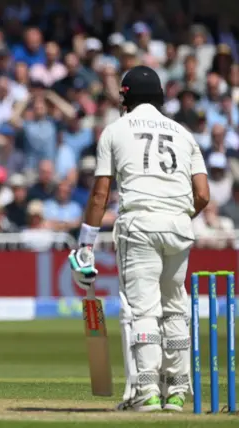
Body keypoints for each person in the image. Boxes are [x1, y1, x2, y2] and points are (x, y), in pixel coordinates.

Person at [67, 66, 210, 412]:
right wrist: (175, 215)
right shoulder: (183, 133)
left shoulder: (115, 131)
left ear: (125, 97)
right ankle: (177, 392)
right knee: (175, 309)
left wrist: (85, 244)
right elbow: (203, 195)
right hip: (179, 226)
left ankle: (147, 393)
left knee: (143, 309)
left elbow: (101, 195)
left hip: (139, 225)